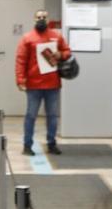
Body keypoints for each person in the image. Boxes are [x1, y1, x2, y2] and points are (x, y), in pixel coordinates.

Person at [15, 10, 72, 156]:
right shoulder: (27, 38)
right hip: (33, 85)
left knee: (52, 116)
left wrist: (61, 54)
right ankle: (27, 145)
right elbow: (20, 60)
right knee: (31, 116)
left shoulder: (56, 36)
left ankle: (51, 144)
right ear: (34, 19)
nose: (41, 19)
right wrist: (20, 80)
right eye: (38, 17)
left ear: (48, 20)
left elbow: (67, 52)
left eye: (44, 17)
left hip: (52, 84)